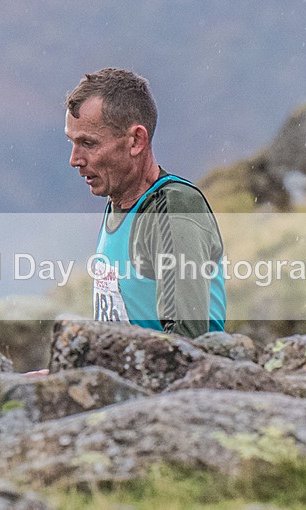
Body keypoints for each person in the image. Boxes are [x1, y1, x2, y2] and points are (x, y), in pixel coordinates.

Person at [64, 68, 226, 338]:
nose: (75, 159)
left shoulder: (174, 209)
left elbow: (189, 344)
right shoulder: (117, 203)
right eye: (72, 142)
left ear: (136, 140)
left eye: (88, 143)